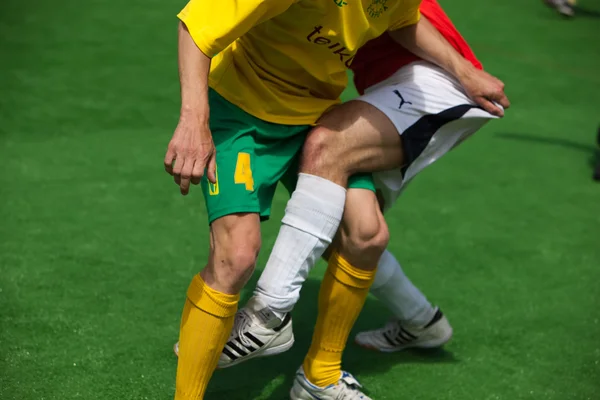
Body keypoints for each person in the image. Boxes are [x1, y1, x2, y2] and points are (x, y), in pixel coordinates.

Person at [164, 0, 506, 398]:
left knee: (366, 235)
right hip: (239, 113)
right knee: (236, 257)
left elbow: (405, 21)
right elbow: (195, 26)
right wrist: (193, 120)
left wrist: (465, 72)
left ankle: (320, 376)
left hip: (313, 116)